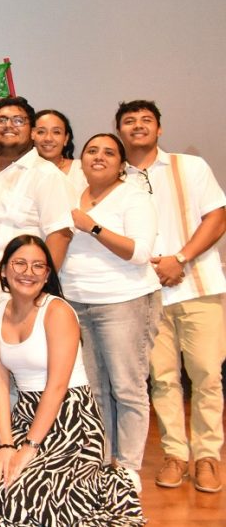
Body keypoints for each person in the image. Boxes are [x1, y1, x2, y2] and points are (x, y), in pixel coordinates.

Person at [0, 235, 145, 525]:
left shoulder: (58, 311)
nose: (28, 272)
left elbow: (57, 386)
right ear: (3, 270)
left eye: (38, 266)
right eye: (20, 263)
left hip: (72, 418)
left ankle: (114, 482)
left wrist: (29, 447)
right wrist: (4, 444)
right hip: (27, 413)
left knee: (31, 496)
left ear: (48, 275)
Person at [116, 99, 225, 493]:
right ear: (120, 131)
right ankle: (176, 456)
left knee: (207, 375)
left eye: (146, 120)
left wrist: (180, 258)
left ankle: (209, 456)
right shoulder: (115, 178)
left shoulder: (189, 167)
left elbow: (217, 216)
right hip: (145, 293)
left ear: (159, 129)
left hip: (199, 285)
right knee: (162, 380)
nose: (138, 126)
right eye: (129, 121)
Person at [61, 133, 160, 489]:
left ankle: (129, 467)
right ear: (82, 159)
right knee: (94, 388)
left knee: (128, 387)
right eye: (92, 151)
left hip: (124, 300)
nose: (98, 157)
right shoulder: (71, 195)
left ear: (121, 163)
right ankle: (102, 461)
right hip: (77, 302)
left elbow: (139, 252)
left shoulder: (134, 195)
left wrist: (93, 227)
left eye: (108, 152)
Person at [0, 96, 76, 383]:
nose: (8, 126)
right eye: (0, 120)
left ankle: (32, 430)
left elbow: (60, 235)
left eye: (18, 120)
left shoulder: (45, 175)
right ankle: (7, 430)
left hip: (19, 297)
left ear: (31, 130)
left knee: (28, 380)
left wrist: (37, 295)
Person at [32, 109, 86, 189]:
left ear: (66, 139)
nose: (48, 138)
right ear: (31, 136)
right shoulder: (23, 172)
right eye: (41, 132)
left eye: (56, 132)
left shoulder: (81, 169)